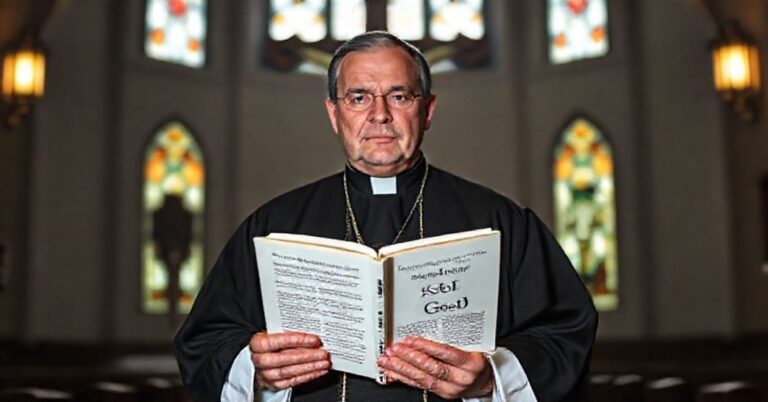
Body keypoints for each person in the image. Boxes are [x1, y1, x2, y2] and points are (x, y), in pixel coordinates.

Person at [175, 31, 598, 402]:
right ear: (333, 114)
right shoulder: (272, 225)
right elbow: (206, 343)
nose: (379, 114)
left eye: (399, 95)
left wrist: (490, 376)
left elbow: (564, 335)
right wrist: (256, 368)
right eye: (358, 97)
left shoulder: (501, 222)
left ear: (427, 110)